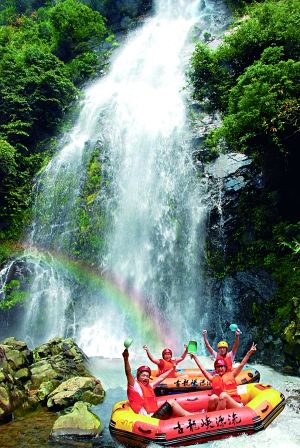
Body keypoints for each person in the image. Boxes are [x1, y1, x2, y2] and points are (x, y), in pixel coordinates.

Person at [122, 348, 192, 418]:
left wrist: (171, 369)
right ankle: (191, 416)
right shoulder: (135, 386)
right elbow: (128, 373)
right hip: (148, 419)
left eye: (147, 376)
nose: (145, 378)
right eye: (143, 376)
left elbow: (161, 378)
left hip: (153, 415)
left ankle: (190, 415)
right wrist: (126, 359)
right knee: (172, 402)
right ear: (138, 376)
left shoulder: (150, 386)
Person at [190, 342, 257, 411]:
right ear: (215, 369)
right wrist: (195, 358)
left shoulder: (232, 374)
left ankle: (215, 416)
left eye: (222, 367)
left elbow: (241, 364)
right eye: (218, 367)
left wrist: (249, 353)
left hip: (235, 405)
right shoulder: (213, 378)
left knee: (223, 395)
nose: (220, 369)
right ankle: (209, 416)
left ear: (225, 368)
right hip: (222, 406)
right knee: (213, 397)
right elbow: (203, 370)